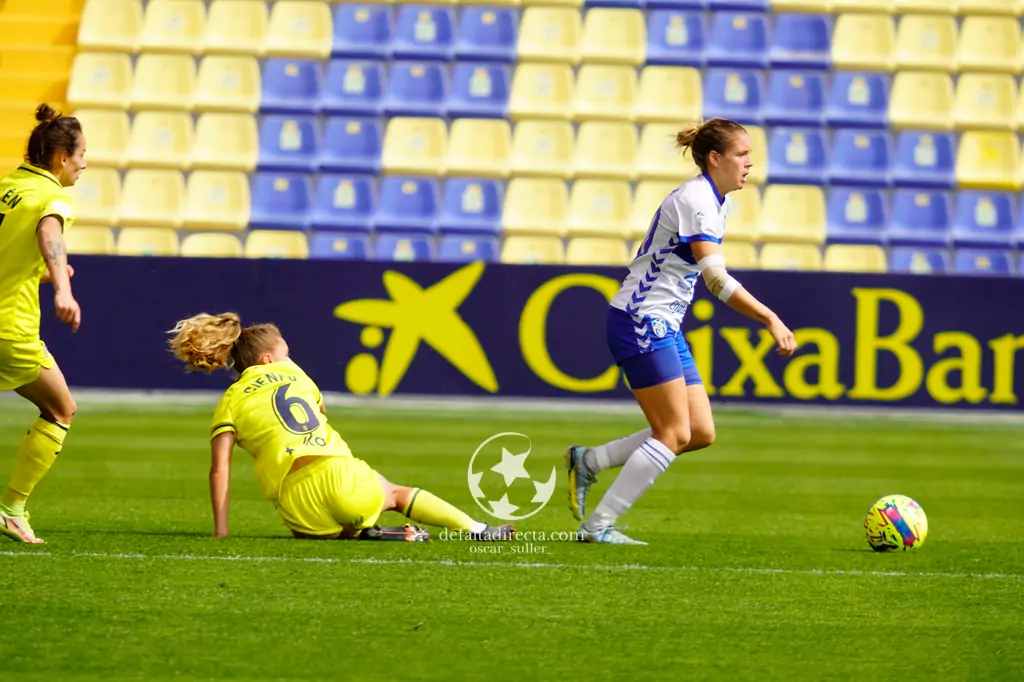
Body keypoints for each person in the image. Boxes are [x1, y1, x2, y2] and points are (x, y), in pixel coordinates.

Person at [565, 118, 798, 545]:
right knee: (673, 433)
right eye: (742, 154)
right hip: (641, 320)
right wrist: (770, 318)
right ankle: (597, 528)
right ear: (715, 159)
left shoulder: (716, 199)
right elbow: (716, 280)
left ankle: (590, 460)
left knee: (699, 432)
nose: (750, 162)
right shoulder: (697, 200)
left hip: (663, 324)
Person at [167, 313, 514, 542]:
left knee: (331, 532)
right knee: (392, 494)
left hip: (296, 501)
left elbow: (220, 468)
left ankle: (381, 534)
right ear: (267, 359)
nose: (291, 356)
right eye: (286, 351)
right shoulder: (296, 374)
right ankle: (479, 529)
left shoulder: (230, 399)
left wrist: (221, 532)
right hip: (337, 475)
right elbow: (319, 411)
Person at [0, 104, 86, 544]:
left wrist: (43, 272)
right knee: (60, 409)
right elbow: (50, 233)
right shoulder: (51, 197)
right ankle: (12, 509)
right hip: (8, 329)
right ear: (60, 158)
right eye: (81, 154)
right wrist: (62, 291)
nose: (84, 163)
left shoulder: (8, 186)